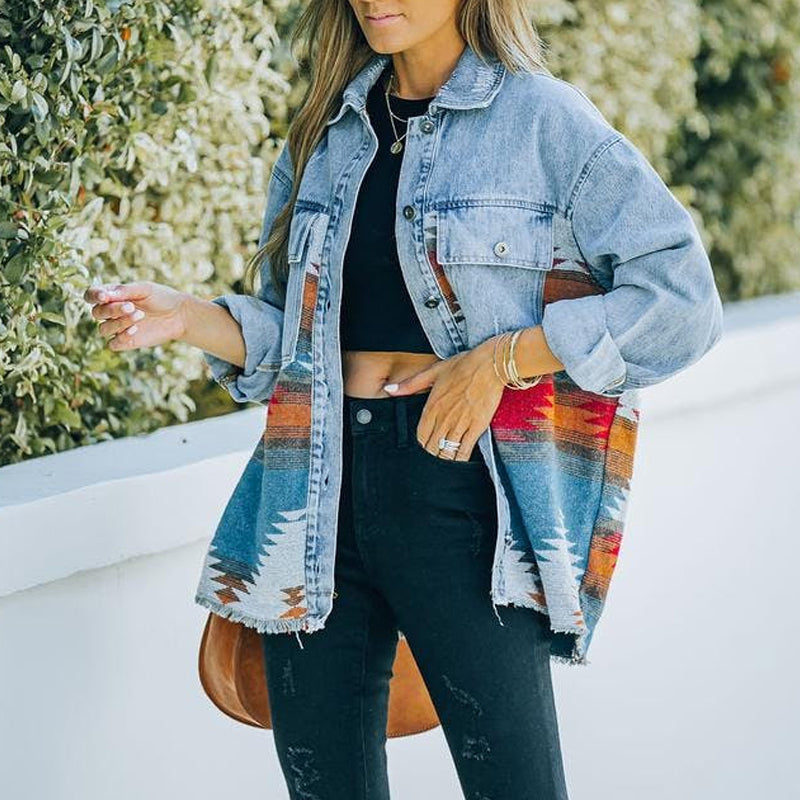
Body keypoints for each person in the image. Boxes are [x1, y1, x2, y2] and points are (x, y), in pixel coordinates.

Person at [83, 1, 724, 798]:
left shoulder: (543, 121)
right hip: (314, 499)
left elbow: (682, 301)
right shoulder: (326, 133)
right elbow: (299, 343)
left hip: (460, 494)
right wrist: (188, 318)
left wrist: (503, 361)